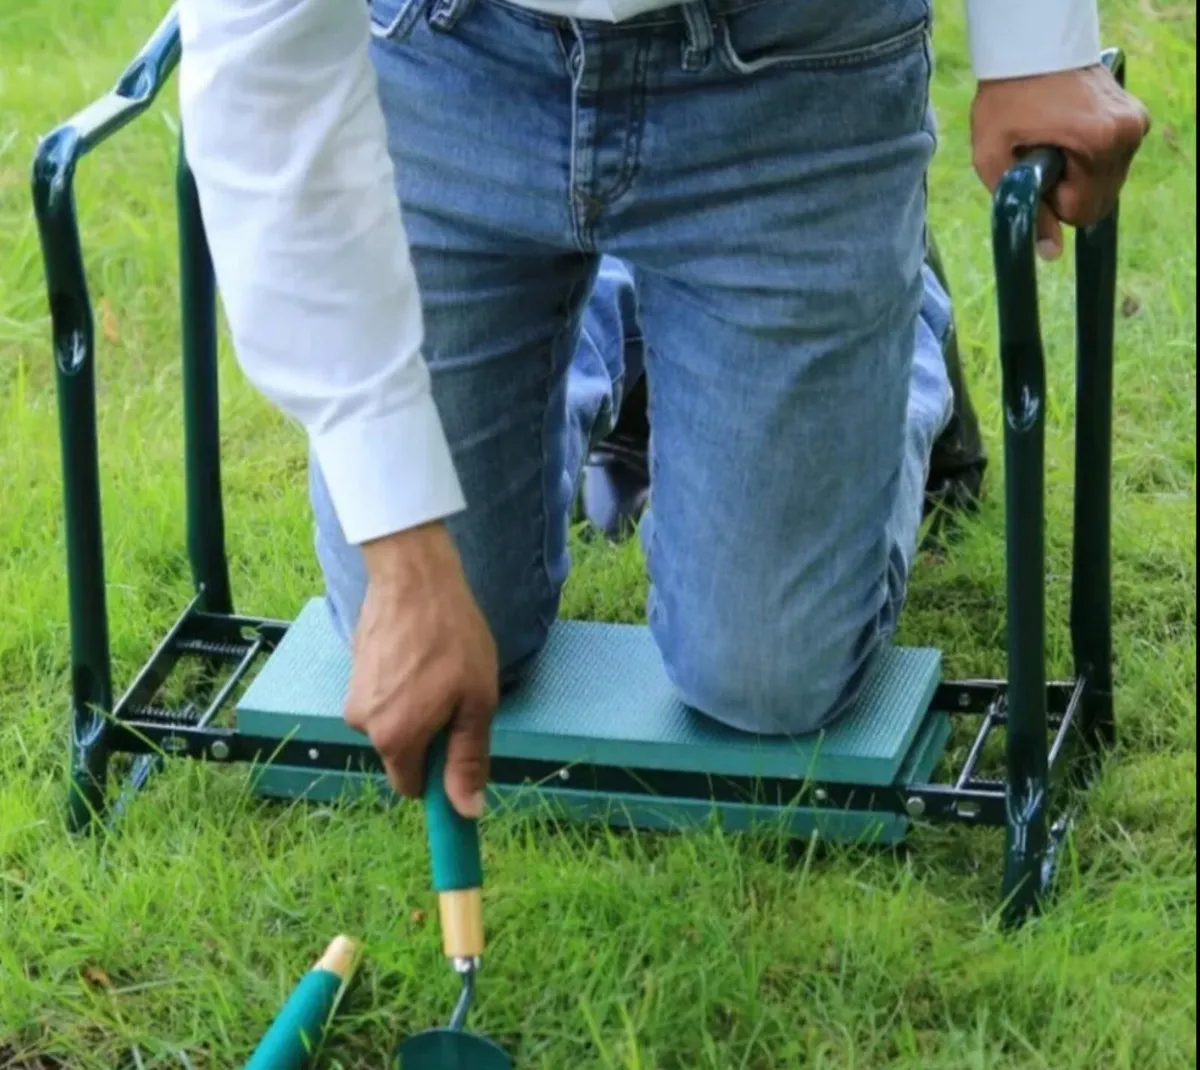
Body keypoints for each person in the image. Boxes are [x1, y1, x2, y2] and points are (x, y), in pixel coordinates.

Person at [178, 0, 1149, 820]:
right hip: (447, 55)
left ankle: (885, 315)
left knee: (769, 680)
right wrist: (403, 555)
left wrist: (1038, 42)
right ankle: (628, 309)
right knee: (430, 628)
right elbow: (262, 88)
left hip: (791, 63)